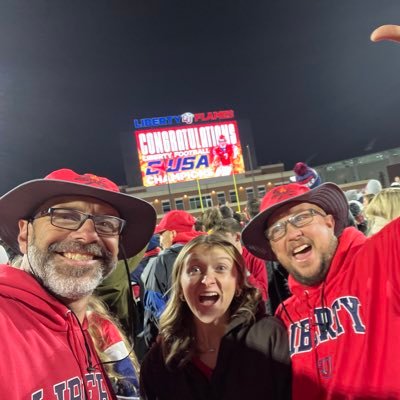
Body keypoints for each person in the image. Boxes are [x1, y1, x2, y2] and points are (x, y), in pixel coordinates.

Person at [0, 168, 156, 399]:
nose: (87, 235)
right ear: (25, 233)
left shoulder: (88, 327)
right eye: (65, 216)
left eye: (106, 224)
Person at [242, 181, 400, 399]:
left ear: (329, 222)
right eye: (277, 230)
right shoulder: (284, 317)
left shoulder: (383, 257)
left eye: (301, 217)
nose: (292, 233)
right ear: (274, 250)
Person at [140, 234, 291, 400]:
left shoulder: (270, 336)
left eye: (220, 268)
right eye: (194, 270)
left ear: (238, 283)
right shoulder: (159, 359)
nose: (207, 280)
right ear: (180, 288)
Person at [141, 210, 204, 350]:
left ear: (173, 234)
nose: (160, 240)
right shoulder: (213, 251)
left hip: (179, 346)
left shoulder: (161, 261)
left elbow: (154, 310)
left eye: (162, 234)